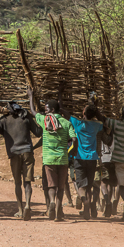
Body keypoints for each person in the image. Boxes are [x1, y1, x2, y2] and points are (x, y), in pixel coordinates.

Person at [0, 100, 43, 221]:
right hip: (27, 151)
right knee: (27, 182)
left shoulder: (4, 120)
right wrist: (41, 118)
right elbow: (38, 133)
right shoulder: (26, 117)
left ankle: (21, 210)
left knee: (17, 183)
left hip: (14, 153)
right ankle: (27, 205)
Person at [28, 87, 77, 222]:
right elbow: (74, 140)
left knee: (51, 185)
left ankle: (51, 203)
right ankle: (59, 211)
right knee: (61, 186)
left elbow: (33, 112)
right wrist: (73, 151)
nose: (45, 111)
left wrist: (30, 96)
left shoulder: (45, 121)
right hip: (63, 158)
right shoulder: (67, 123)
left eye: (46, 109)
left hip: (48, 159)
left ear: (52, 110)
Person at [58, 86, 103, 220]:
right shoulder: (96, 125)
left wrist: (60, 94)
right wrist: (95, 107)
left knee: (80, 185)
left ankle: (86, 204)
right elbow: (102, 119)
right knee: (88, 185)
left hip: (79, 158)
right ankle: (86, 210)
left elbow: (62, 111)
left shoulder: (77, 123)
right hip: (92, 159)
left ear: (83, 113)